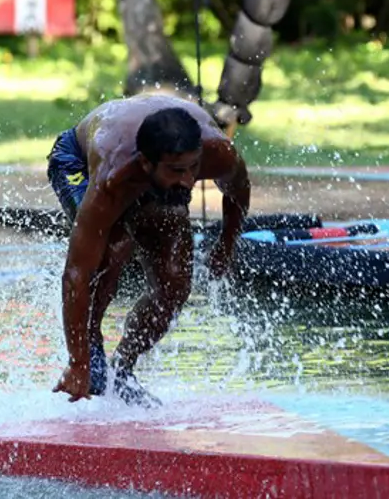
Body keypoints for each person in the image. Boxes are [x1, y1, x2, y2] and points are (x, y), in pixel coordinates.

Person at [46, 94, 251, 407]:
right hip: (76, 160)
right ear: (145, 163)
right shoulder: (112, 180)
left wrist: (226, 244)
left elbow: (239, 192)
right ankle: (92, 347)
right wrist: (78, 362)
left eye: (193, 168)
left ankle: (122, 369)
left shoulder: (219, 154)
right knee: (114, 245)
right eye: (176, 171)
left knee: (175, 283)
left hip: (149, 172)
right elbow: (77, 272)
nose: (188, 181)